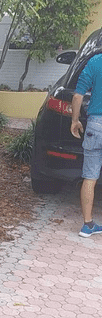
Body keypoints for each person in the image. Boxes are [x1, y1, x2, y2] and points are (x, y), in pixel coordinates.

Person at [71, 52, 102, 237]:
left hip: (95, 125)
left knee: (90, 176)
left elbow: (77, 96)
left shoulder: (95, 61)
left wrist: (75, 120)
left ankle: (87, 225)